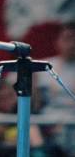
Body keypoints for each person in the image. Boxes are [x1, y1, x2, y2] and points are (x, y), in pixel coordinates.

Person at [35, 22, 75, 155]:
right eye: (68, 38)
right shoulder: (42, 66)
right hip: (48, 122)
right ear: (58, 41)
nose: (72, 44)